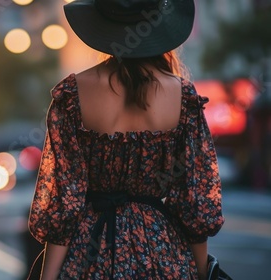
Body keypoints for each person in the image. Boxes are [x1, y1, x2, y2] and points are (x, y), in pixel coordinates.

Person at [28, 0, 225, 279]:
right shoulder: (185, 99)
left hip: (89, 253)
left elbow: (65, 200)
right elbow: (194, 202)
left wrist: (47, 277)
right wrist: (202, 272)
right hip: (162, 254)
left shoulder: (72, 95)